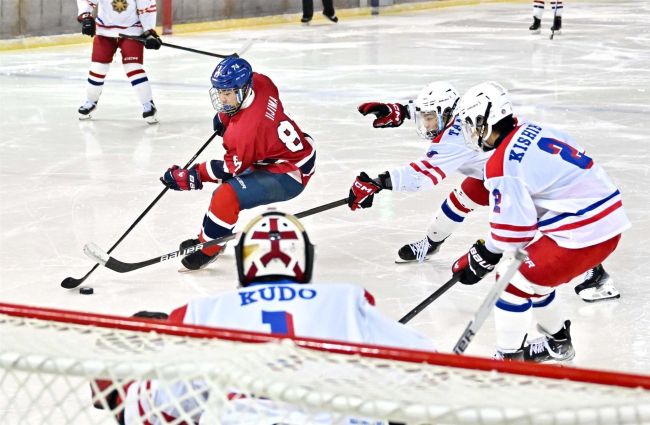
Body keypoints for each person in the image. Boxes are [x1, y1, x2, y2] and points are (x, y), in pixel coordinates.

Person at [95, 211, 434, 424]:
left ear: (244, 265)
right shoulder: (346, 302)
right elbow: (428, 371)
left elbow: (155, 412)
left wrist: (123, 394)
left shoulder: (202, 314)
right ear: (304, 262)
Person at [351, 82, 618, 302]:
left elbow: (420, 177)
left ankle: (594, 273)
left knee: (536, 223)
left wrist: (377, 182)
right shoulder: (465, 112)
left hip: (510, 175)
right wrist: (400, 111)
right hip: (488, 173)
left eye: (429, 117)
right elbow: (436, 112)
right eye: (425, 116)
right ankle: (431, 244)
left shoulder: (451, 142)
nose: (426, 122)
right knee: (458, 201)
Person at [451, 81, 630, 362]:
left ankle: (508, 358)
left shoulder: (503, 163)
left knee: (510, 280)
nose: (471, 132)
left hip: (582, 234)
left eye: (472, 124)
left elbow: (514, 236)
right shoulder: (536, 129)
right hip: (607, 223)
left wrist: (481, 257)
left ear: (488, 119)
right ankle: (557, 342)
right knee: (536, 280)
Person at [161, 57, 316, 271]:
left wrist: (191, 175)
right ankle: (211, 237)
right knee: (224, 194)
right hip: (287, 150)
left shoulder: (245, 132)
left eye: (227, 93)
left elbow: (228, 169)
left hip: (289, 173)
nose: (222, 99)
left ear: (243, 89)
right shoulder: (262, 82)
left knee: (226, 195)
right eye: (220, 92)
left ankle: (209, 249)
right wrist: (227, 117)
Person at [76, 0, 162, 123]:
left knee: (133, 67)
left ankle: (149, 105)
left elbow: (147, 10)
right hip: (104, 32)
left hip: (132, 31)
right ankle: (90, 102)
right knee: (98, 68)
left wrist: (149, 33)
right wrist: (86, 17)